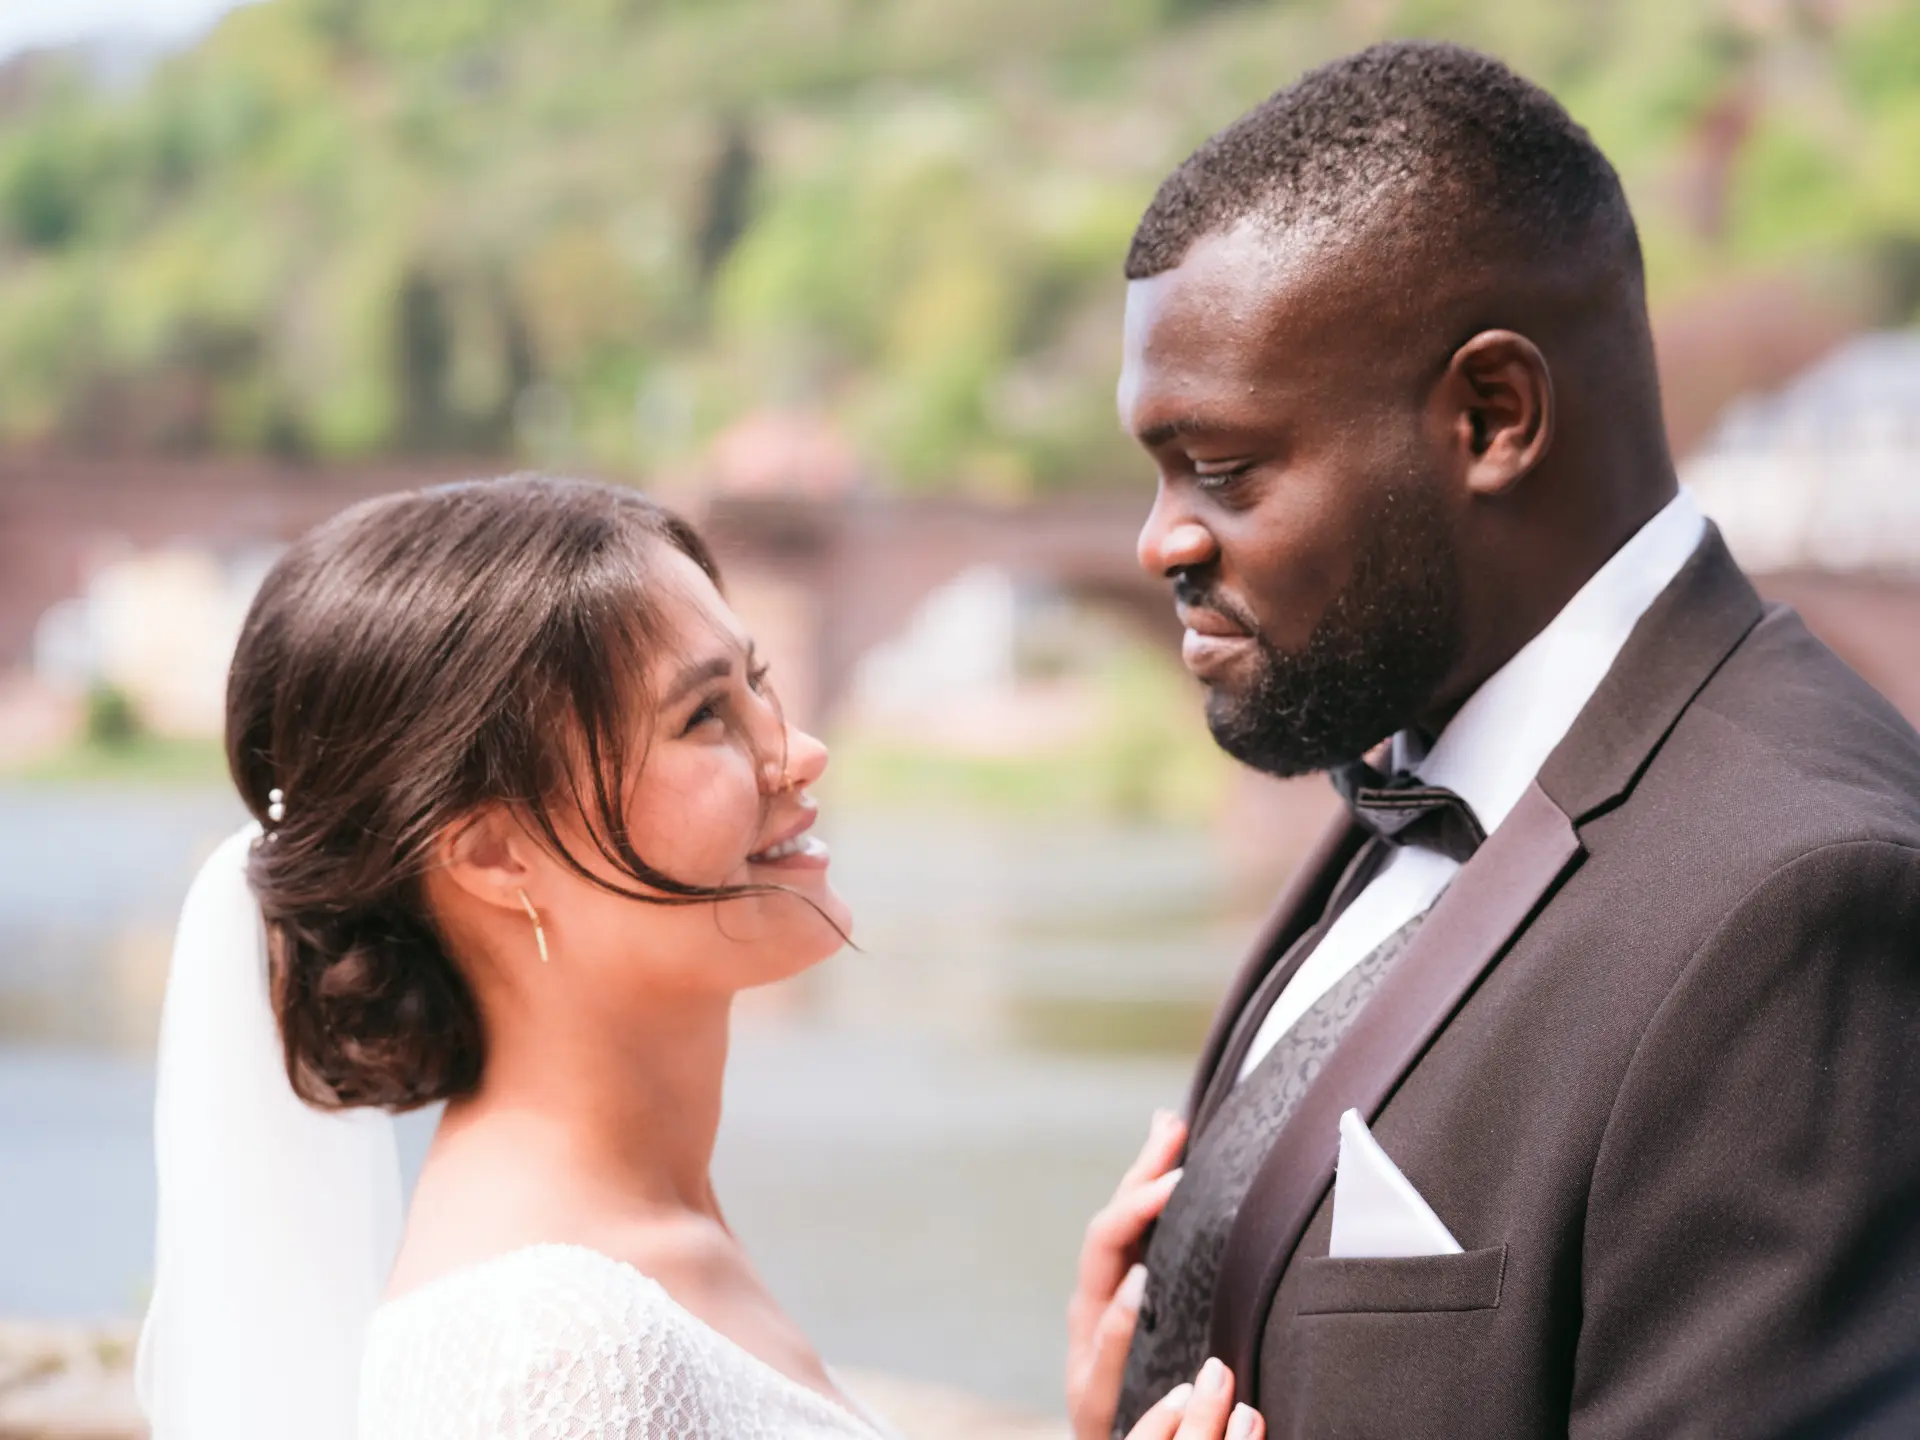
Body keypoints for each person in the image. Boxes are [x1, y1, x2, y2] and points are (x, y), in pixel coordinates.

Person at [1066, 40, 1920, 1440]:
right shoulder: (1406, 754)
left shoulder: (1808, 897)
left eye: (1220, 469)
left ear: (1490, 417)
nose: (1161, 538)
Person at [133, 476, 1260, 1440]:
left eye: (756, 683)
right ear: (489, 852)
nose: (800, 752)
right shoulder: (549, 1362)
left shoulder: (643, 1244)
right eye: (704, 719)